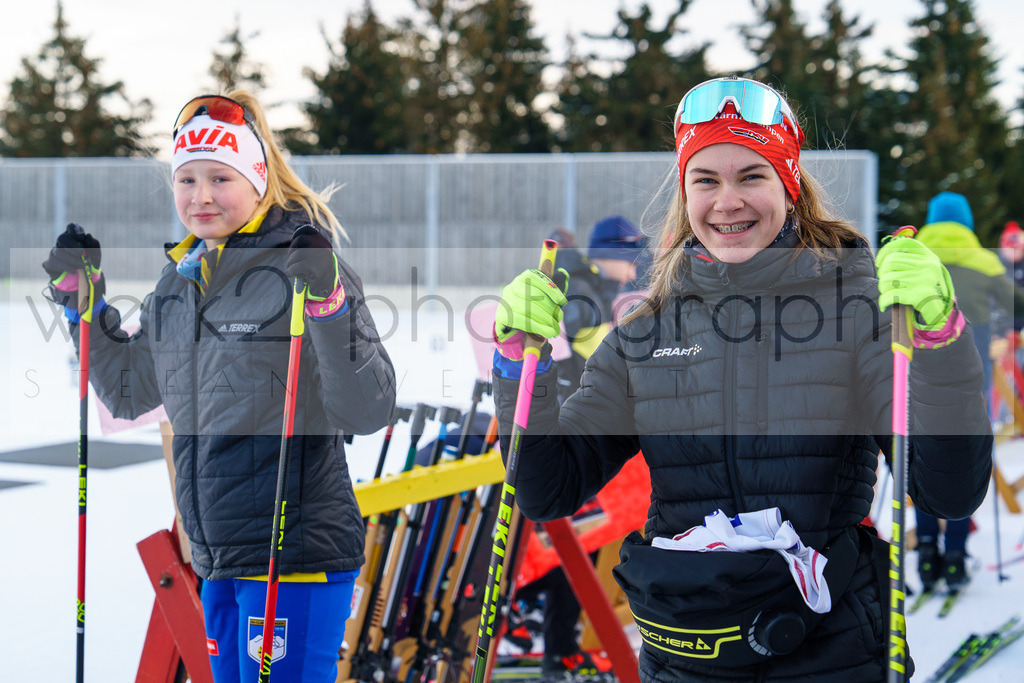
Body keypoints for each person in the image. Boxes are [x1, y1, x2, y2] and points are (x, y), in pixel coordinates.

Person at [488, 76, 992, 681]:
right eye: (706, 180)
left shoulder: (858, 305)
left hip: (830, 658)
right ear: (685, 193)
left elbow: (946, 492)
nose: (727, 202)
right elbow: (547, 488)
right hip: (685, 658)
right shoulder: (648, 326)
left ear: (789, 184)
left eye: (751, 175)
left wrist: (940, 343)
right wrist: (519, 366)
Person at [42, 91, 396, 683]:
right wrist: (84, 305)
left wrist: (331, 303)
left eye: (219, 178)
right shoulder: (180, 283)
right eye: (186, 179)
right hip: (218, 559)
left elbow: (366, 407)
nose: (200, 197)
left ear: (257, 180)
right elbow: (129, 390)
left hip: (293, 559)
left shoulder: (301, 264)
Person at [913, 192, 1020, 594]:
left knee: (921, 462)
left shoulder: (913, 258)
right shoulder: (987, 262)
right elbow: (1019, 306)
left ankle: (925, 552)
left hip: (917, 384)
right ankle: (955, 557)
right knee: (963, 466)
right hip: (970, 386)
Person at [553, 217, 646, 402]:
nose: (634, 274)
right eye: (632, 263)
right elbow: (557, 364)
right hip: (571, 413)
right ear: (612, 255)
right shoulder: (579, 292)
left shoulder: (597, 292)